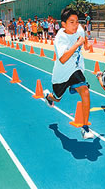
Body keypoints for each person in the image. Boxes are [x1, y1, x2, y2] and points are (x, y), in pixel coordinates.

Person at [43, 8, 93, 139]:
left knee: (85, 91)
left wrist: (86, 44)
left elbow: (83, 35)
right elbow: (63, 59)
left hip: (75, 70)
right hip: (61, 75)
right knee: (57, 98)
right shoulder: (60, 37)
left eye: (77, 21)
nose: (75, 25)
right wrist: (77, 44)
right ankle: (48, 96)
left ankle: (85, 128)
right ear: (63, 24)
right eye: (72, 22)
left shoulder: (79, 29)